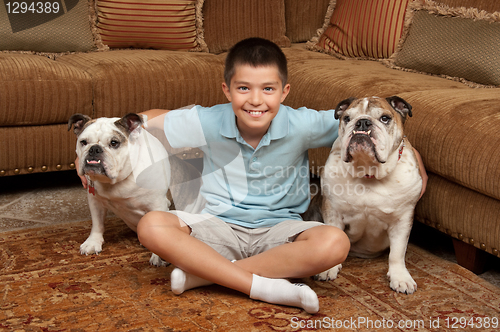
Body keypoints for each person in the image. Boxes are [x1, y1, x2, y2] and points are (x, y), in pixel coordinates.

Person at [78, 38, 426, 314]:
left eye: (268, 89)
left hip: (280, 230)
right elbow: (147, 121)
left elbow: (373, 131)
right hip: (215, 226)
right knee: (152, 225)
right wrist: (92, 159)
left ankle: (206, 275)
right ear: (227, 90)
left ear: (284, 92)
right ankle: (264, 285)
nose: (256, 100)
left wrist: (414, 161)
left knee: (334, 243)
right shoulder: (207, 119)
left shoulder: (302, 123)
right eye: (243, 88)